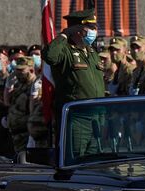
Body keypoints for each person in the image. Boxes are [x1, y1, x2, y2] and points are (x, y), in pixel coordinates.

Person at [42, 8, 104, 150]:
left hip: (98, 118)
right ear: (77, 29)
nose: (95, 31)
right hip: (77, 118)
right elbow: (50, 56)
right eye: (91, 27)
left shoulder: (92, 52)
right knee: (76, 160)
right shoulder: (65, 51)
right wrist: (64, 34)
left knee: (96, 162)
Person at [7, 57, 36, 153]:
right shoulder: (18, 85)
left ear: (31, 70)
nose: (17, 73)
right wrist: (8, 86)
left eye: (21, 70)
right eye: (16, 70)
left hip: (26, 133)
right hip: (15, 133)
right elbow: (7, 102)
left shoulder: (35, 86)